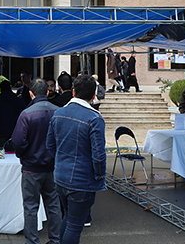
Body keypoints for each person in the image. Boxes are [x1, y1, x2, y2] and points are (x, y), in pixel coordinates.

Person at [47, 74, 106, 244]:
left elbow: (50, 145)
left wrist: (61, 161)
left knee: (69, 218)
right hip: (82, 181)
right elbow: (99, 155)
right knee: (74, 225)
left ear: (73, 91)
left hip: (61, 176)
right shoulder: (94, 118)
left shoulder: (58, 113)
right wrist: (99, 175)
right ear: (94, 95)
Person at [12, 78, 61, 244]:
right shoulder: (58, 112)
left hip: (31, 167)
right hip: (53, 167)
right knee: (53, 205)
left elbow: (18, 141)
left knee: (31, 207)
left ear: (31, 93)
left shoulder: (26, 114)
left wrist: (23, 155)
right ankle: (55, 240)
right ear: (47, 92)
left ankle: (32, 241)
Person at [0, 80, 26, 147]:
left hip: (1, 132)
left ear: (0, 90)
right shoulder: (19, 101)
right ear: (10, 89)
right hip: (16, 132)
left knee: (1, 151)